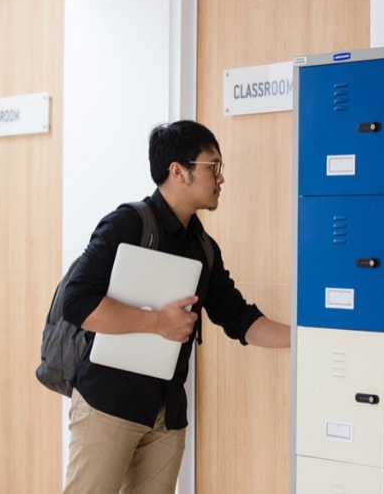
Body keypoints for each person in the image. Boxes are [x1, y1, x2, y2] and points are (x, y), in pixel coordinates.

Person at [61, 120, 290, 493]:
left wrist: (307, 337)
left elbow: (240, 319)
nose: (221, 178)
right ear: (178, 171)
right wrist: (157, 323)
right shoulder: (127, 224)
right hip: (107, 405)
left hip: (166, 417)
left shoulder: (203, 247)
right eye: (212, 166)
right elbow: (76, 302)